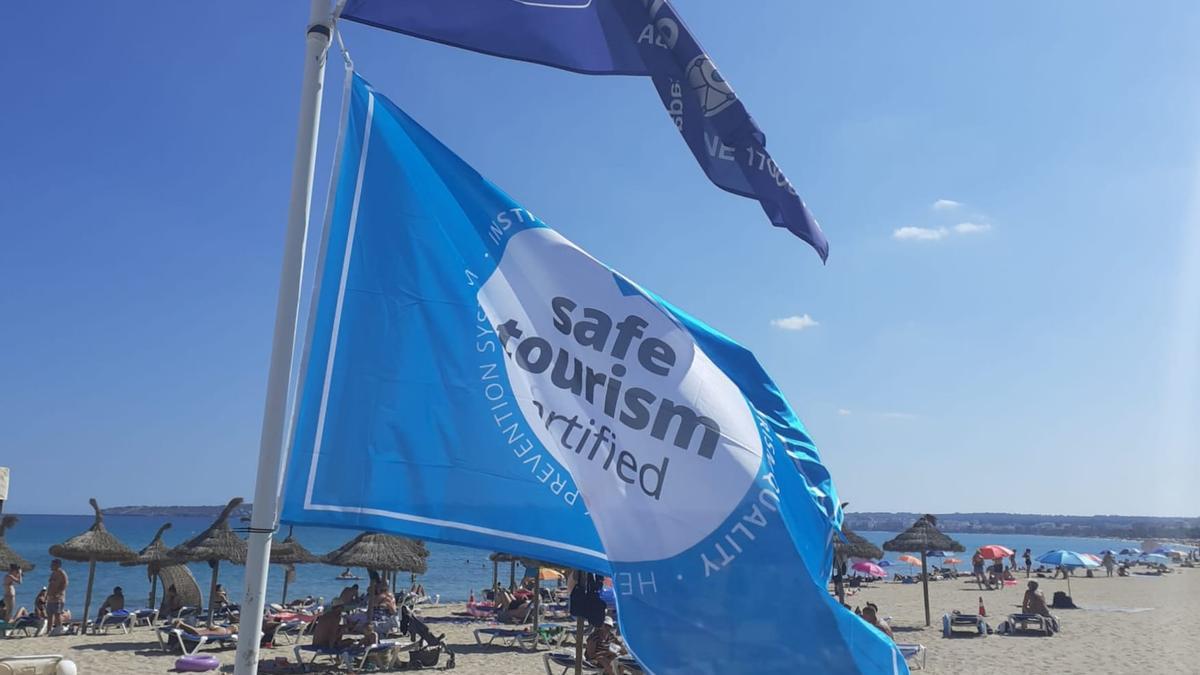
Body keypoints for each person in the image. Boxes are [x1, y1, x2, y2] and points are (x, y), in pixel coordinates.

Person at [46, 559, 68, 633]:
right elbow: (50, 584)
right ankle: (48, 630)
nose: (51, 566)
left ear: (57, 565)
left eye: (52, 565)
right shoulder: (53, 573)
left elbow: (65, 584)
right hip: (50, 598)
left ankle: (59, 629)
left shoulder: (61, 573)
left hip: (57, 598)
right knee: (49, 614)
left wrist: (58, 593)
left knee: (57, 614)